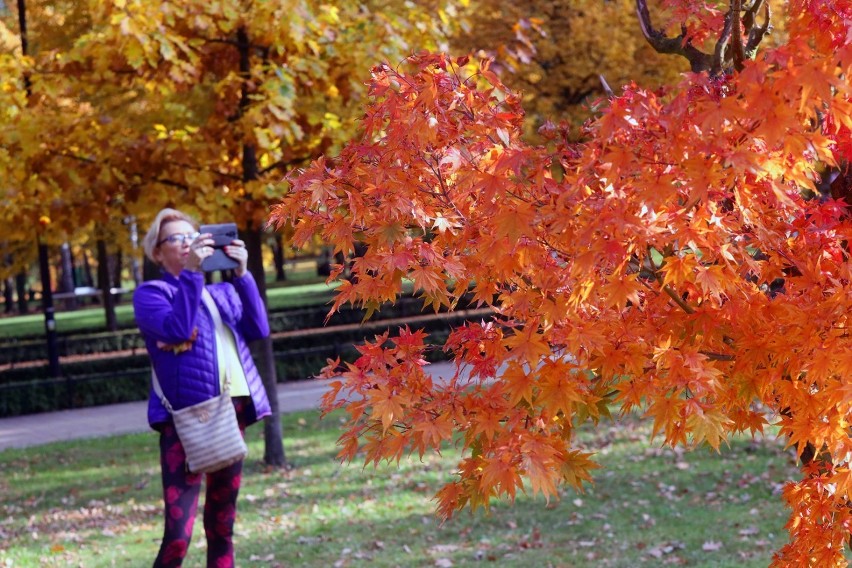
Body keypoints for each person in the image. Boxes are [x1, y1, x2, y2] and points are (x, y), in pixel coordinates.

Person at [134, 208, 271, 567]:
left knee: (222, 528)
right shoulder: (151, 294)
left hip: (231, 412)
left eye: (190, 236)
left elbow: (258, 329)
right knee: (178, 537)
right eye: (174, 239)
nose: (185, 244)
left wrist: (243, 274)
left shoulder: (223, 291)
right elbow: (178, 329)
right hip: (185, 420)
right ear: (157, 253)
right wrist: (193, 273)